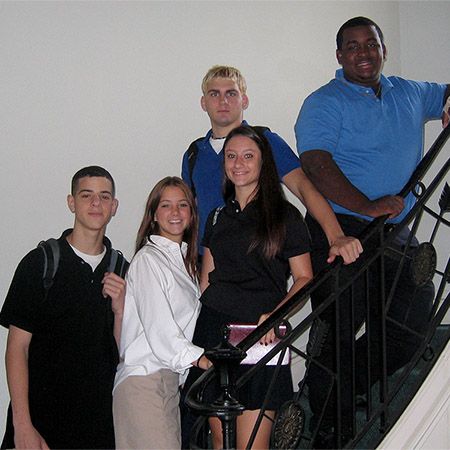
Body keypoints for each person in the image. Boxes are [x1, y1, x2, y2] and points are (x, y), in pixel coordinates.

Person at [294, 16, 450, 448]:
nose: (364, 53)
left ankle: (349, 387)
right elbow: (316, 163)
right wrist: (365, 205)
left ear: (383, 49)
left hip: (394, 232)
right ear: (339, 55)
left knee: (414, 325)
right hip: (340, 229)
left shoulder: (411, 92)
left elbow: (447, 93)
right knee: (337, 329)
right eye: (353, 46)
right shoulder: (324, 102)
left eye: (371, 44)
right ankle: (330, 426)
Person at [184, 125, 313, 449]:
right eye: (231, 156)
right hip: (213, 333)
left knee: (252, 443)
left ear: (263, 162)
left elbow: (304, 278)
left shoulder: (286, 216)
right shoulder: (215, 217)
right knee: (218, 439)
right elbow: (206, 283)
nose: (238, 163)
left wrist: (274, 317)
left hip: (260, 333)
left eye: (247, 156)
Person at [181, 65, 362, 265]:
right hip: (206, 264)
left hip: (258, 264)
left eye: (231, 93)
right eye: (214, 94)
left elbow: (304, 187)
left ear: (245, 100)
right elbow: (189, 212)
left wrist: (336, 236)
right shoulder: (194, 154)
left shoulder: (265, 142)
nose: (223, 100)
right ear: (203, 102)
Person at [0, 166, 127, 449]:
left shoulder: (122, 270)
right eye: (87, 195)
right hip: (39, 426)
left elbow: (121, 357)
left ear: (114, 206)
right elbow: (16, 349)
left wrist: (120, 310)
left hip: (97, 429)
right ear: (71, 202)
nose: (96, 203)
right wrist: (22, 425)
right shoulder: (39, 263)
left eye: (104, 196)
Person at [113, 177, 212, 450]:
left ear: (192, 215)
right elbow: (160, 329)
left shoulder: (185, 266)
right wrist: (201, 360)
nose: (175, 212)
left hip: (168, 383)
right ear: (154, 215)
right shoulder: (149, 259)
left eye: (182, 205)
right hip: (144, 381)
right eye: (166, 205)